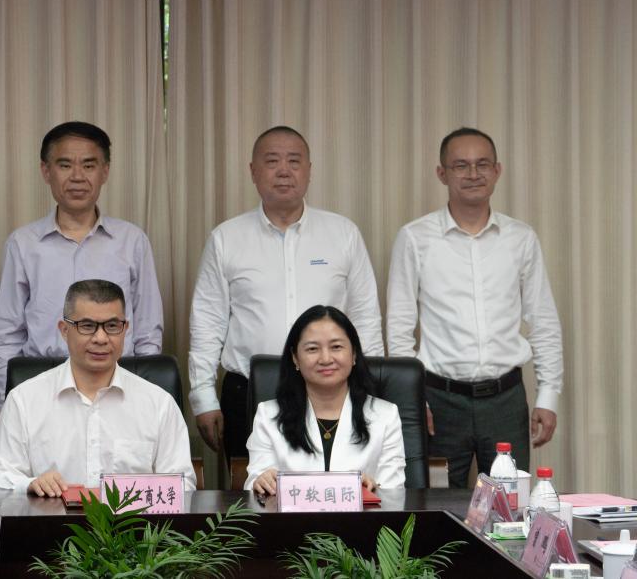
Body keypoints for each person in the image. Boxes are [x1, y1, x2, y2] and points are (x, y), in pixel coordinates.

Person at [189, 126, 384, 461]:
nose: (283, 171)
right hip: (248, 391)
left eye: (294, 161)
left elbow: (365, 317)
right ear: (253, 171)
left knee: (334, 487)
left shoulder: (343, 234)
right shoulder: (226, 238)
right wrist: (203, 397)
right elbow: (207, 322)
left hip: (332, 390)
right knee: (251, 489)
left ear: (309, 170)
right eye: (272, 161)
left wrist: (372, 392)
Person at [386, 127, 563, 485]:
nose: (473, 174)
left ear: (497, 171)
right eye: (461, 165)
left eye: (482, 164)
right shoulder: (415, 238)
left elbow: (543, 320)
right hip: (439, 402)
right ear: (442, 173)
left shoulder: (521, 238)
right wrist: (413, 400)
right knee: (434, 504)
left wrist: (548, 396)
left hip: (505, 402)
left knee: (510, 504)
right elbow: (399, 325)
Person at [0, 121, 163, 409]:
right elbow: (7, 334)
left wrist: (144, 396)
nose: (78, 176)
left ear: (105, 171)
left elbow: (147, 332)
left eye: (89, 165)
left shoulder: (132, 241)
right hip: (41, 388)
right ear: (46, 171)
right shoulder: (23, 243)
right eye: (65, 165)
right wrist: (7, 400)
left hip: (118, 387)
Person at [0, 279, 195, 496]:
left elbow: (183, 486)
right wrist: (29, 485)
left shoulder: (159, 404)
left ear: (125, 329)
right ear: (64, 330)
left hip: (132, 519)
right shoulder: (24, 400)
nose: (101, 338)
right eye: (87, 326)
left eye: (112, 326)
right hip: (50, 518)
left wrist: (124, 496)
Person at [246, 305, 405, 494]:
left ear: (354, 353)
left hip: (364, 514)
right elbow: (254, 487)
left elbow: (394, 494)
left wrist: (370, 490)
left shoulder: (386, 416)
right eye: (312, 349)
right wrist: (260, 482)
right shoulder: (268, 416)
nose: (326, 359)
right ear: (295, 358)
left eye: (336, 347)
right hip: (288, 515)